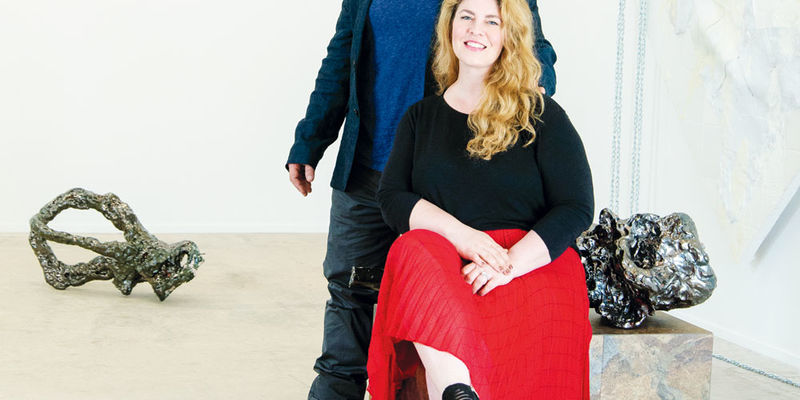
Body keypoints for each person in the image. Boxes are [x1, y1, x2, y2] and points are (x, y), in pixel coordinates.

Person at [286, 1, 556, 399]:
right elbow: (341, 58)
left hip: (441, 175)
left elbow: (532, 44)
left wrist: (535, 89)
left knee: (435, 297)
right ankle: (335, 389)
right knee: (349, 289)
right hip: (367, 168)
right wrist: (310, 140)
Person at [366, 0, 593, 398]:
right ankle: (457, 390)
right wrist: (465, 238)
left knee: (539, 297)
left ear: (509, 36)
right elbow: (392, 197)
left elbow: (576, 207)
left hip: (529, 262)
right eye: (467, 17)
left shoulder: (541, 113)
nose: (476, 29)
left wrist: (509, 265)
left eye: (492, 21)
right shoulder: (419, 117)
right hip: (449, 261)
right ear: (450, 26)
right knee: (411, 247)